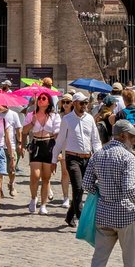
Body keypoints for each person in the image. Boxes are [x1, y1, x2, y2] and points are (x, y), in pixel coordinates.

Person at [82, 119, 135, 267]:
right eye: (132, 136)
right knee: (131, 259)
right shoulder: (127, 157)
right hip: (125, 215)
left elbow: (86, 184)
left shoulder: (98, 154)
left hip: (103, 215)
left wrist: (102, 190)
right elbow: (129, 189)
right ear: (122, 136)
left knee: (99, 259)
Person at [52, 92, 102, 228]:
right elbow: (60, 141)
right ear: (74, 103)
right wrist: (53, 160)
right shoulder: (67, 119)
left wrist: (99, 156)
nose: (84, 105)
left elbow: (95, 141)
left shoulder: (90, 119)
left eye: (86, 103)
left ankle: (69, 216)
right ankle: (82, 220)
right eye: (81, 103)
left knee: (83, 188)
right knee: (78, 187)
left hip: (87, 158)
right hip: (72, 158)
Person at [24, 90, 60, 213]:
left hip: (49, 144)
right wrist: (32, 123)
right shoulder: (31, 114)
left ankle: (43, 205)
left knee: (46, 177)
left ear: (48, 101)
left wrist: (58, 151)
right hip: (36, 145)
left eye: (43, 98)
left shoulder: (54, 116)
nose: (40, 100)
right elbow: (24, 131)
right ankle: (33, 198)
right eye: (39, 98)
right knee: (35, 175)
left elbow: (57, 134)